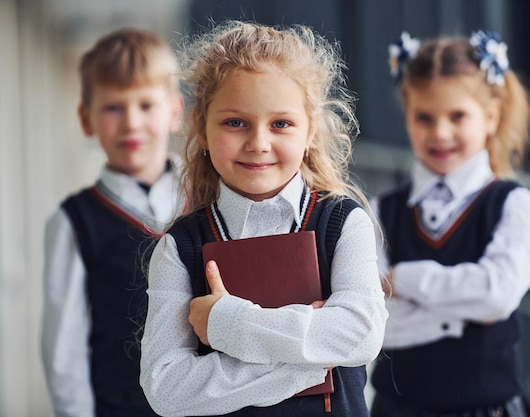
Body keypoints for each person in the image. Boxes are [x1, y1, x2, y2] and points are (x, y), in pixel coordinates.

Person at [139, 20, 388, 417]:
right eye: (235, 122)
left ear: (310, 130)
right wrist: (306, 363)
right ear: (201, 128)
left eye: (281, 124)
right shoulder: (177, 248)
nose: (258, 143)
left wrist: (229, 323)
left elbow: (361, 334)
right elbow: (166, 387)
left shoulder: (344, 223)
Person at [369, 30, 530, 417]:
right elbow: (374, 322)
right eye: (424, 118)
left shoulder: (512, 203)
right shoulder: (381, 211)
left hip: (487, 409)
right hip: (396, 409)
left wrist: (403, 280)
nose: (440, 132)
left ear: (491, 117)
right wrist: (468, 308)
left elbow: (497, 294)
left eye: (457, 116)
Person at [41, 28, 184, 417]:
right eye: (113, 108)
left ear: (175, 111)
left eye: (146, 105)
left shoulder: (205, 198)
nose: (130, 122)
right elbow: (63, 352)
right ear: (86, 119)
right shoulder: (73, 222)